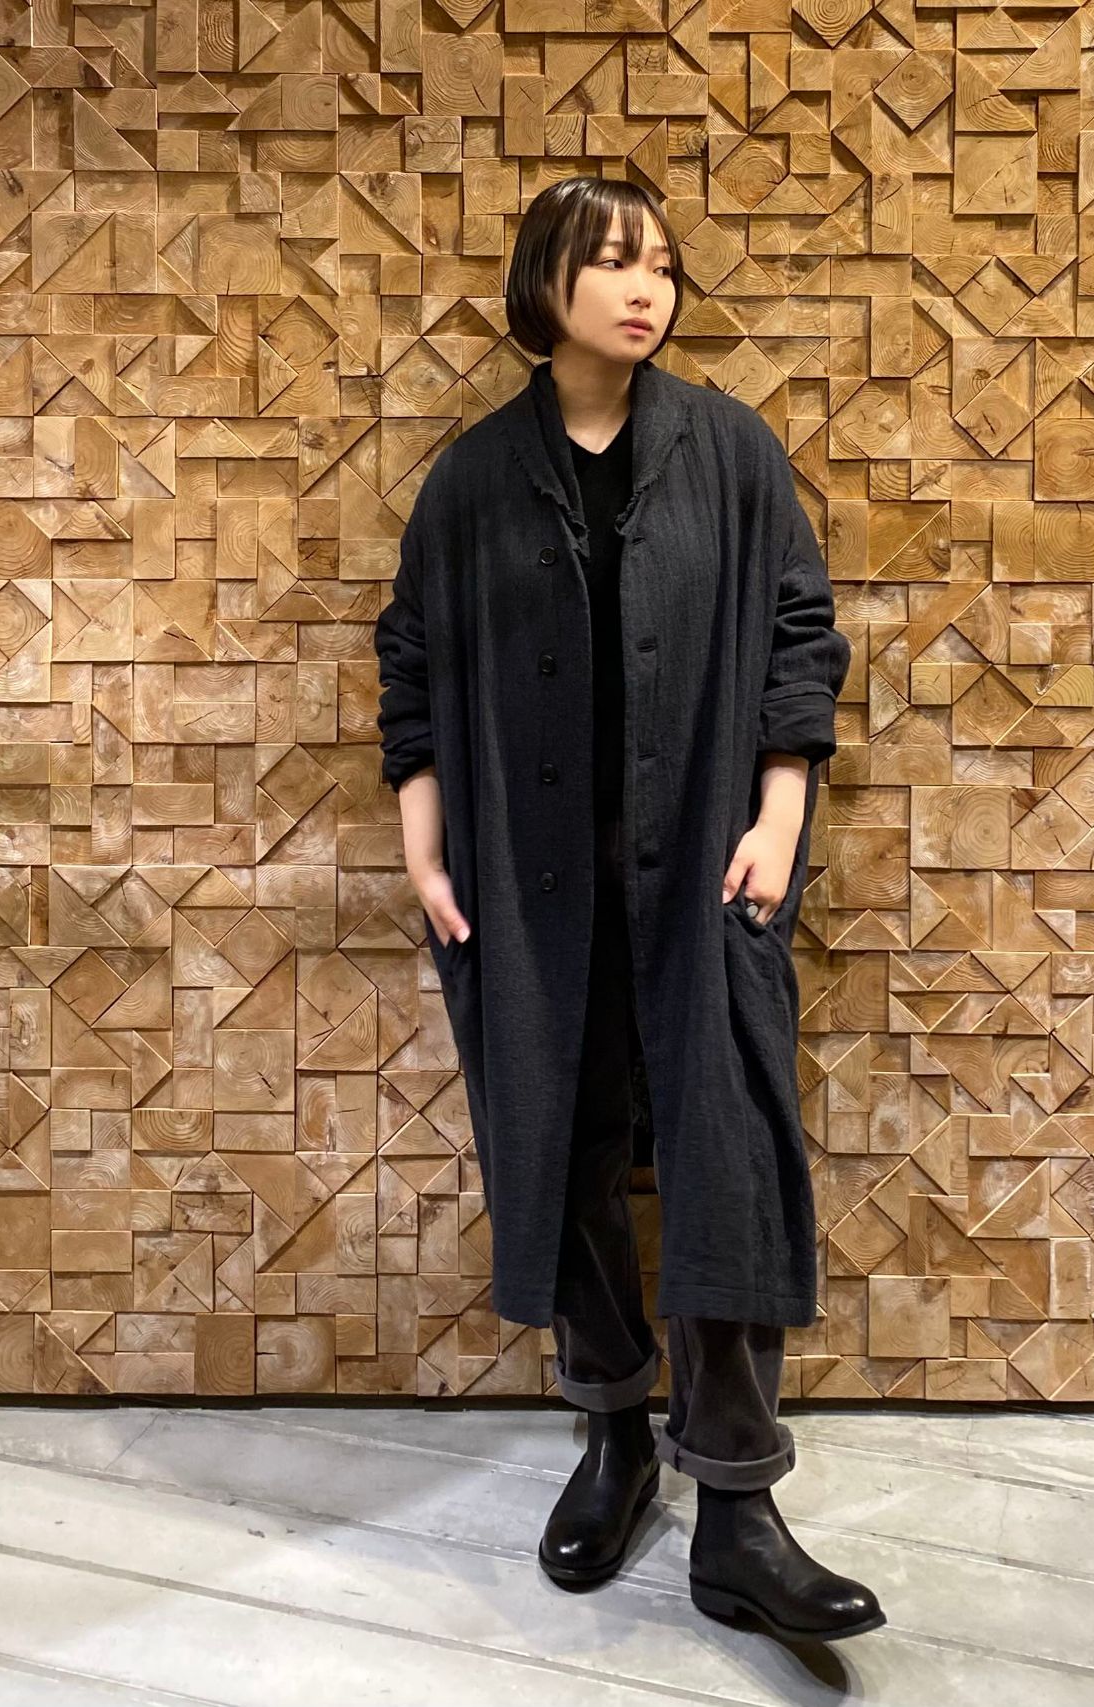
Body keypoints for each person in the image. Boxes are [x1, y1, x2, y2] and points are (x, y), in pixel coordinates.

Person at [374, 175, 884, 1645]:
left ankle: (738, 1508)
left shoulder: (730, 450)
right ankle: (611, 1435)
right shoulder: (474, 480)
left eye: (660, 263)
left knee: (726, 1156)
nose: (645, 287)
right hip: (528, 889)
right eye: (611, 261)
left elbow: (798, 631)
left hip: (708, 870)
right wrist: (425, 852)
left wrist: (779, 818)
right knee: (568, 1148)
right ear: (546, 284)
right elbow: (412, 664)